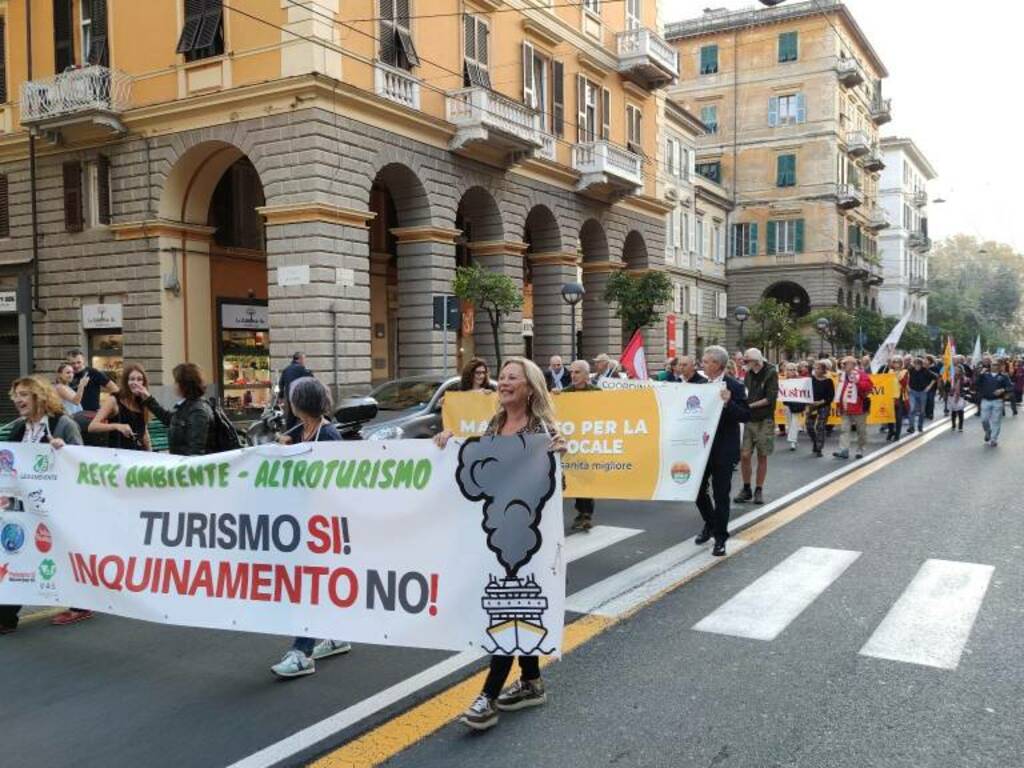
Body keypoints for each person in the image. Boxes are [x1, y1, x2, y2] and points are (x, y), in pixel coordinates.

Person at [434, 357, 566, 731]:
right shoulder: (495, 424)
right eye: (502, 377)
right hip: (496, 531)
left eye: (513, 378)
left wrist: (562, 452)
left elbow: (557, 483)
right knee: (515, 605)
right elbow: (477, 467)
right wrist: (446, 444)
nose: (504, 383)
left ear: (529, 388)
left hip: (529, 534)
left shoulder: (543, 427)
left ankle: (488, 696)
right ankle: (531, 681)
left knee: (508, 608)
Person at [270, 377, 352, 677]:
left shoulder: (328, 435)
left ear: (300, 402)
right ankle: (337, 634)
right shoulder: (299, 431)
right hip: (306, 522)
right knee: (318, 584)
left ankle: (301, 652)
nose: (289, 403)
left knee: (310, 585)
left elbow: (337, 481)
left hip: (323, 526)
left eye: (292, 398)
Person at [1, 377, 89, 633]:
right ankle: (6, 617)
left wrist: (64, 451)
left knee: (61, 553)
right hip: (24, 508)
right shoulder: (19, 429)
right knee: (16, 556)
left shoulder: (63, 424)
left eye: (24, 394)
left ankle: (81, 602)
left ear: (40, 397)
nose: (18, 399)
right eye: (16, 394)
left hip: (57, 507)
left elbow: (80, 462)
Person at [694, 346, 750, 557]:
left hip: (723, 449)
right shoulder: (699, 384)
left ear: (717, 365)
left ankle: (720, 538)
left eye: (706, 361)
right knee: (697, 491)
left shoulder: (734, 386)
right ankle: (710, 523)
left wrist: (728, 403)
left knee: (721, 495)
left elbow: (745, 415)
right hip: (701, 448)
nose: (703, 364)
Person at [558, 360, 600, 532]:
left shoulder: (597, 393)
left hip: (590, 441)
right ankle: (581, 512)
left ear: (586, 374)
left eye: (577, 372)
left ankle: (586, 513)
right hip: (572, 442)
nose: (573, 376)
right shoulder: (565, 393)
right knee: (575, 476)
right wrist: (555, 395)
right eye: (572, 372)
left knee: (586, 476)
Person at [138, 363, 212, 456]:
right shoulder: (188, 406)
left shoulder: (197, 411)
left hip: (188, 467)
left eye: (176, 382)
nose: (174, 385)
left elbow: (196, 451)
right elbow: (169, 419)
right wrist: (148, 399)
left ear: (184, 385)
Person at [734, 348, 777, 505]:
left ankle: (759, 489)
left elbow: (770, 398)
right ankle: (746, 488)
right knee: (744, 455)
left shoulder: (771, 372)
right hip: (749, 419)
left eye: (747, 361)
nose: (745, 364)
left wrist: (749, 406)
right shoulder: (749, 373)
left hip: (765, 419)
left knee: (762, 454)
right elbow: (745, 392)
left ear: (756, 360)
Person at [88, 364, 153, 451]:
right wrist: (116, 426)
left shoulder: (142, 401)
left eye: (139, 379)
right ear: (126, 381)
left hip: (139, 455)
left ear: (144, 382)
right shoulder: (113, 400)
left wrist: (150, 453)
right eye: (132, 379)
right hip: (119, 455)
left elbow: (144, 432)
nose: (136, 382)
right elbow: (92, 427)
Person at [67, 349, 119, 446]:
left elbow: (115, 389)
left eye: (78, 362)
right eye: (73, 363)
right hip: (72, 417)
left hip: (91, 417)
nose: (76, 365)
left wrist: (106, 408)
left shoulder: (93, 372)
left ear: (84, 361)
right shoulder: (67, 375)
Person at [833, 356, 872, 460]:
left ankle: (860, 449)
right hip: (845, 408)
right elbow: (839, 392)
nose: (843, 365)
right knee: (844, 429)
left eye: (845, 363)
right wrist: (838, 405)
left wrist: (857, 382)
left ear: (853, 364)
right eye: (843, 363)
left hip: (859, 408)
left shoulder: (861, 375)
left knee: (861, 430)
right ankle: (843, 450)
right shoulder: (841, 376)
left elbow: (868, 387)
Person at [976, 359, 1012, 447]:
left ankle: (993, 439)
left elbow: (1010, 387)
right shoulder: (984, 375)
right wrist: (980, 374)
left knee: (996, 421)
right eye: (992, 365)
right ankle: (988, 431)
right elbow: (976, 383)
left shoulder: (1004, 376)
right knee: (984, 419)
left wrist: (1002, 390)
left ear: (999, 367)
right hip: (985, 400)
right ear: (990, 366)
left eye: (996, 365)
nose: (994, 366)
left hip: (997, 401)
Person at [278, 351, 313, 433]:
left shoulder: (286, 369)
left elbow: (281, 383)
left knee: (291, 415)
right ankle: (302, 433)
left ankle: (289, 432)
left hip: (290, 396)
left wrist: (281, 396)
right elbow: (311, 380)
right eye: (304, 359)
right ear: (300, 359)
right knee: (303, 415)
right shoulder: (302, 369)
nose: (304, 361)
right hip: (300, 396)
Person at [806, 360, 834, 457]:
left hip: (823, 405)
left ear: (823, 370)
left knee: (820, 426)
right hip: (812, 406)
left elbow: (830, 396)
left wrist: (821, 402)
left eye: (818, 368)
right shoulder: (810, 380)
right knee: (809, 426)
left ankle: (819, 448)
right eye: (815, 368)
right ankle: (815, 441)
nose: (816, 370)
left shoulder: (828, 381)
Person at [907, 357, 936, 434]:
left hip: (922, 392)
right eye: (916, 364)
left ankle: (920, 426)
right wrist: (907, 387)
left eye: (919, 365)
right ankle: (911, 427)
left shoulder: (925, 371)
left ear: (921, 365)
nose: (917, 366)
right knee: (912, 409)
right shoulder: (910, 370)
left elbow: (935, 377)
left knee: (922, 411)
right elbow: (905, 378)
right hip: (912, 392)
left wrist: (929, 387)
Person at [780, 362, 805, 451]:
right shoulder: (783, 380)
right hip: (787, 403)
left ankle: (792, 441)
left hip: (797, 404)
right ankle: (793, 440)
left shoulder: (800, 380)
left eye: (793, 369)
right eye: (789, 370)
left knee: (795, 421)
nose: (792, 371)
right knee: (789, 422)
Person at [887, 357, 910, 443]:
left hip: (899, 396)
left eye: (898, 362)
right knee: (889, 416)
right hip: (889, 396)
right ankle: (891, 431)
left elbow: (904, 384)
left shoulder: (905, 372)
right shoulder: (889, 371)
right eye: (894, 362)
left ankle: (897, 434)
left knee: (898, 417)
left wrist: (898, 375)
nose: (896, 364)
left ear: (901, 363)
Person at [947, 360, 967, 433]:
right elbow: (946, 386)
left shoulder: (963, 378)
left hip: (960, 396)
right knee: (953, 411)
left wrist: (965, 381)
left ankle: (960, 426)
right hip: (952, 395)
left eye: (958, 370)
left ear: (961, 371)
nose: (956, 371)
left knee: (960, 411)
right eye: (955, 370)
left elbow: (966, 385)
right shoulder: (951, 378)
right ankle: (953, 425)